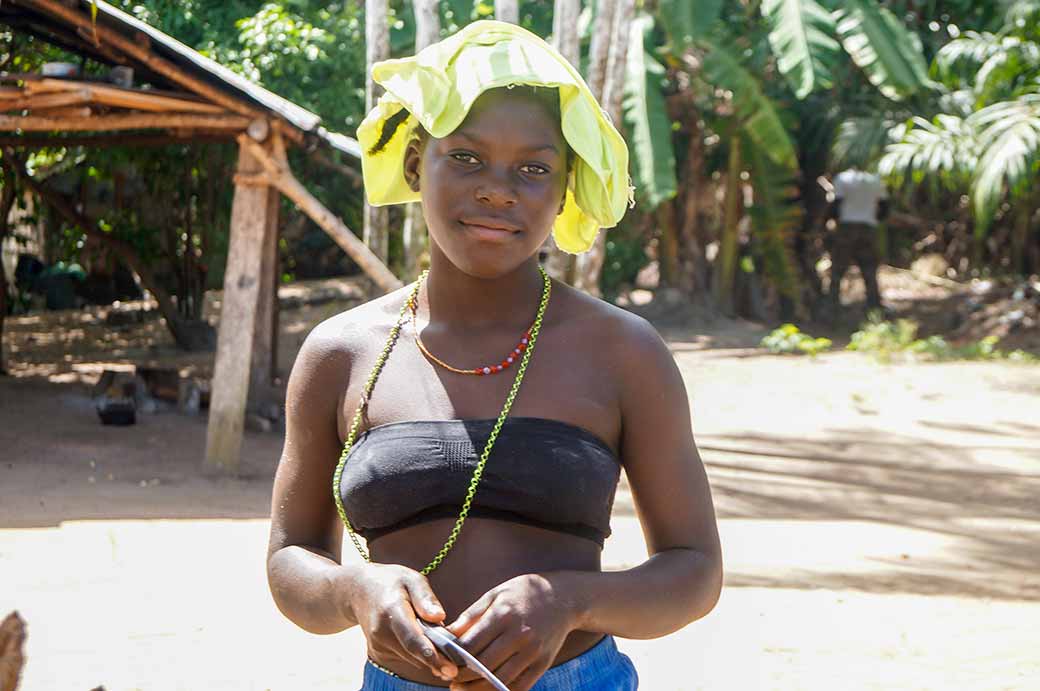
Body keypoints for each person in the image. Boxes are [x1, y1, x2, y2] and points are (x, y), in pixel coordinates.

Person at [266, 20, 722, 691]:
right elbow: (289, 557)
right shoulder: (342, 353)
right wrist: (353, 588)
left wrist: (569, 599)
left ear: (566, 188)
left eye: (534, 168)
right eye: (467, 157)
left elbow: (695, 568)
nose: (497, 190)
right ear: (419, 161)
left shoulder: (623, 352)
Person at [828, 166, 890, 315]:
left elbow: (836, 204)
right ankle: (874, 305)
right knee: (869, 268)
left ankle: (832, 304)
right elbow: (885, 207)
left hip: (847, 226)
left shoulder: (842, 178)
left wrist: (834, 223)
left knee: (838, 268)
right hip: (868, 227)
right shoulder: (875, 180)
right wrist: (873, 219)